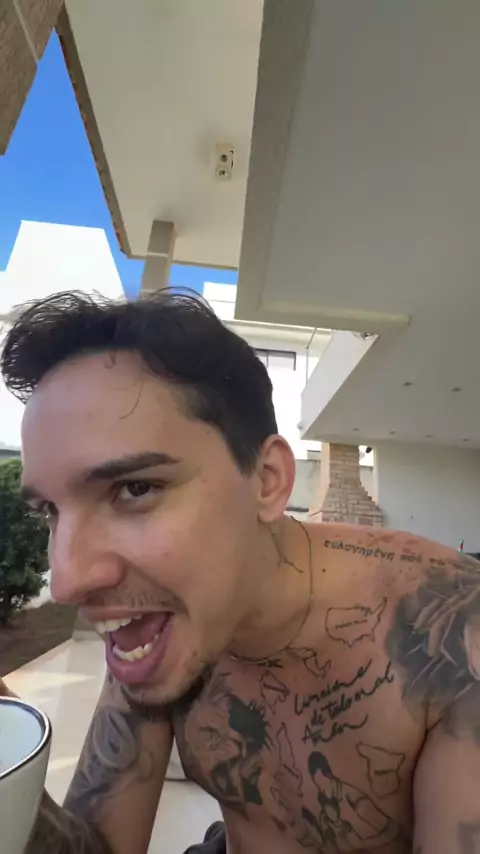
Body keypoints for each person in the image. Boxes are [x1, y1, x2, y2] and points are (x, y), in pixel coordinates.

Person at [1, 289, 479, 854]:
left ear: (268, 480)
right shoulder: (161, 622)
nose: (68, 580)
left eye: (135, 489)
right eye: (50, 511)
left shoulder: (449, 635)